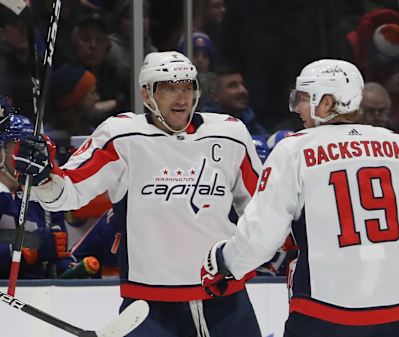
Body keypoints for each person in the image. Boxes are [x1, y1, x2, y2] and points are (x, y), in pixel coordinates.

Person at [13, 51, 263, 337]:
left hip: (225, 299)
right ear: (147, 94)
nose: (181, 98)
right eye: (168, 88)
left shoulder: (230, 134)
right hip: (149, 306)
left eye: (187, 87)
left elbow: (260, 209)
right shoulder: (121, 137)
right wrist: (44, 175)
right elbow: (67, 193)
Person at [200, 59, 399, 337]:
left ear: (328, 102)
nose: (297, 108)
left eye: (304, 99)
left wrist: (225, 261)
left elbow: (260, 238)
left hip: (324, 315)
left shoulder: (294, 150)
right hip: (398, 315)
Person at [0, 103, 74, 279]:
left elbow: (58, 251)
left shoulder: (41, 195)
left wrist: (69, 268)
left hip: (40, 294)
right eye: (19, 146)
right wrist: (25, 249)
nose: (28, 155)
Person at [202, 66, 268, 137]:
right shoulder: (205, 125)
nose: (243, 90)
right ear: (215, 96)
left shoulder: (250, 120)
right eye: (233, 86)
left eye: (243, 84)